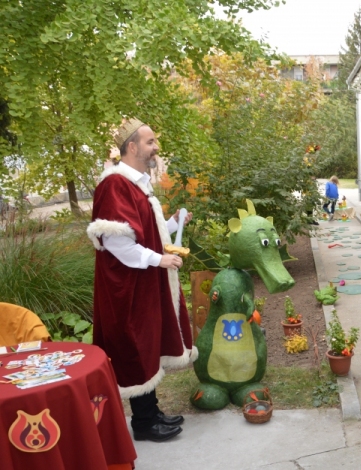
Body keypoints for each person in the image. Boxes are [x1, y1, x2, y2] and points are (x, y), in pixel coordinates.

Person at [87, 118, 198, 443]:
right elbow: (115, 241)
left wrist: (170, 221)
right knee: (134, 344)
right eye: (150, 142)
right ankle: (145, 423)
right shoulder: (114, 184)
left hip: (141, 282)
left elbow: (140, 230)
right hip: (126, 287)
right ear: (132, 147)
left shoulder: (136, 183)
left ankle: (152, 412)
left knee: (145, 343)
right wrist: (159, 259)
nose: (155, 148)